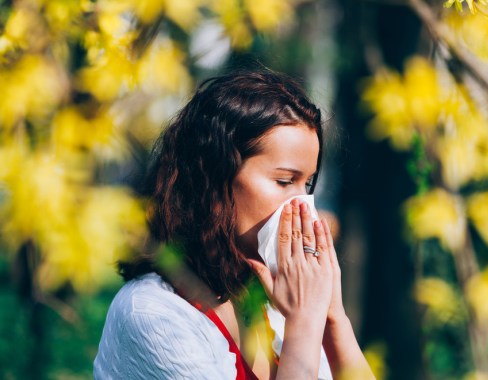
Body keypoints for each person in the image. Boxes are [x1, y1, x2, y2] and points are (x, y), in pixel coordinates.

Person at [93, 68, 375, 379]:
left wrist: (333, 317)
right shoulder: (153, 314)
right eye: (284, 181)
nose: (303, 208)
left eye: (307, 185)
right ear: (214, 179)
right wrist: (305, 322)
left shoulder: (274, 299)